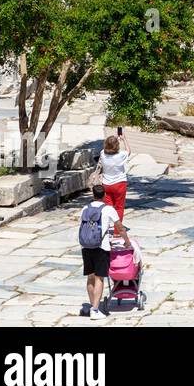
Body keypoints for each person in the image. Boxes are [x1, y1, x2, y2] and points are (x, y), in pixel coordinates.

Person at [79, 185, 123, 320]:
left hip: (86, 246)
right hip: (101, 247)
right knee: (100, 278)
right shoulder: (108, 209)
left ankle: (93, 306)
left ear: (93, 195)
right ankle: (95, 309)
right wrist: (126, 241)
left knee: (90, 277)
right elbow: (120, 227)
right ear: (104, 196)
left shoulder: (85, 209)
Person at [98, 132, 131, 220]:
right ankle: (117, 232)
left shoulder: (102, 154)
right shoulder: (121, 155)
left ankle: (106, 227)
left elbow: (106, 148)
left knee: (108, 208)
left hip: (106, 184)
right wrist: (124, 139)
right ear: (117, 146)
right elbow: (129, 151)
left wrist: (112, 141)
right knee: (119, 208)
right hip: (119, 184)